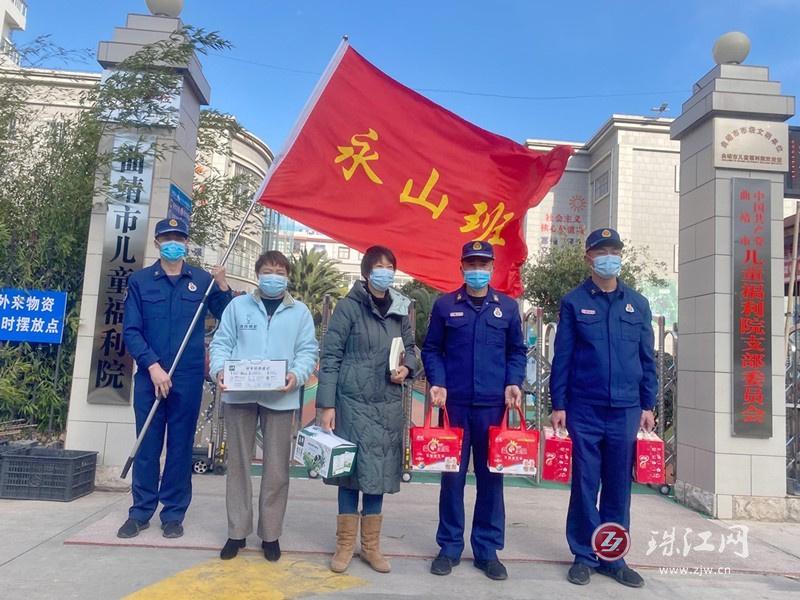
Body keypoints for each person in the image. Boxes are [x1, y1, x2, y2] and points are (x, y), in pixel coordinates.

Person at [549, 228, 657, 588]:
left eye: (614, 251)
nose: (608, 257)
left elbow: (647, 358)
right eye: (601, 251)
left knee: (617, 486)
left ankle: (613, 556)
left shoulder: (637, 304)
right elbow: (562, 357)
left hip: (626, 409)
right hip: (584, 407)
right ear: (588, 259)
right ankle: (583, 554)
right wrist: (558, 403)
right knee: (584, 482)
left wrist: (648, 403)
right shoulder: (573, 301)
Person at [119, 217, 232, 539]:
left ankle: (173, 513)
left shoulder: (201, 280)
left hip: (187, 375)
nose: (173, 243)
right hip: (150, 376)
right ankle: (140, 512)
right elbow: (131, 330)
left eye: (179, 238)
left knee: (180, 447)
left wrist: (222, 285)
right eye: (167, 238)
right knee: (147, 445)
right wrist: (152, 366)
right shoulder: (141, 281)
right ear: (157, 243)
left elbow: (228, 313)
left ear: (186, 243)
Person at [422, 240, 527, 581]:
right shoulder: (444, 306)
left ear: (492, 268)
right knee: (451, 479)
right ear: (462, 267)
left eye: (484, 265)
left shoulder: (508, 309)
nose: (478, 270)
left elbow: (517, 352)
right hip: (453, 407)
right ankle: (449, 547)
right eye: (472, 264)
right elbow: (432, 349)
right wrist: (437, 381)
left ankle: (487, 549)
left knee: (491, 481)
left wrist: (514, 381)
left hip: (493, 408)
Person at [209, 250, 318, 562]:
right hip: (239, 395)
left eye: (280, 272)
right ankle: (237, 533)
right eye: (268, 271)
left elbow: (308, 350)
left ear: (287, 277)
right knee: (238, 465)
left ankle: (270, 534)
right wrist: (219, 370)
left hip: (280, 397)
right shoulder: (237, 306)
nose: (274, 276)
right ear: (258, 275)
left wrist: (296, 376)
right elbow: (221, 342)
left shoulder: (300, 312)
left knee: (276, 468)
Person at [317, 245, 417, 574]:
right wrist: (326, 405)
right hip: (351, 403)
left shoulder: (401, 307)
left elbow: (411, 348)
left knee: (378, 475)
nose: (384, 272)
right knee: (350, 475)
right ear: (366, 272)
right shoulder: (348, 307)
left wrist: (408, 368)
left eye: (390, 266)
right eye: (378, 267)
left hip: (387, 404)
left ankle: (371, 547)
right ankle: (345, 546)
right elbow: (330, 357)